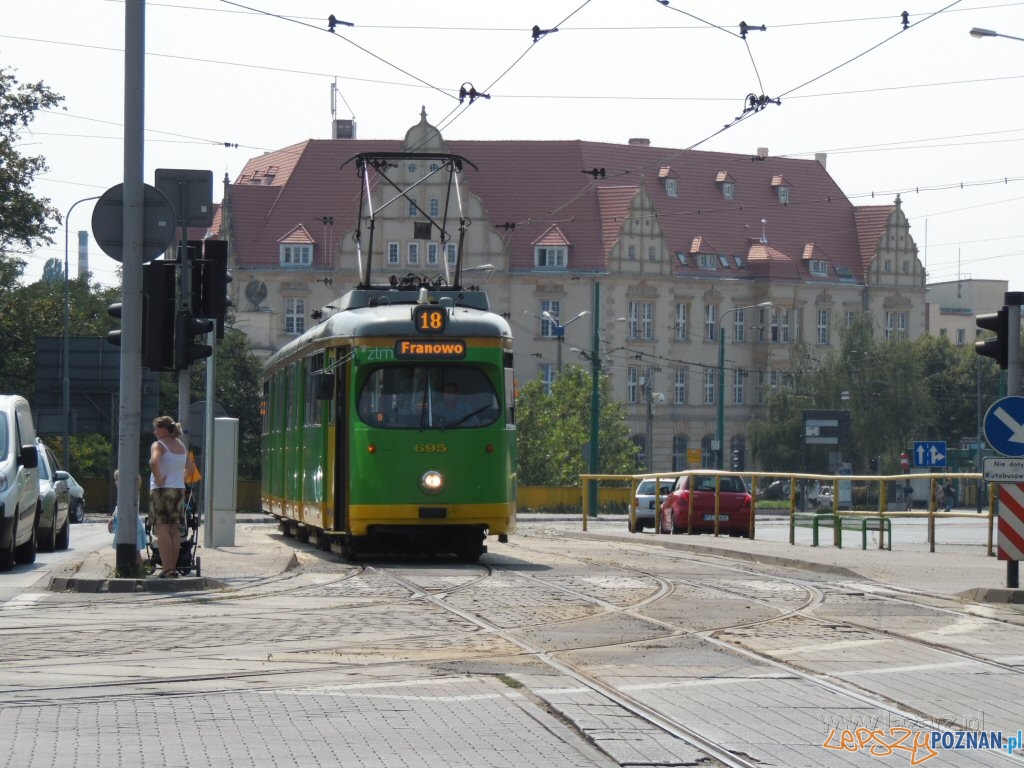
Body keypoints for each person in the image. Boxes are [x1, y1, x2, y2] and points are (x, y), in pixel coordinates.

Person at [148, 415, 194, 578]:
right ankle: (172, 568)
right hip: (178, 490)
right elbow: (190, 469)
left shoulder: (158, 445)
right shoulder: (181, 446)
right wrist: (179, 478)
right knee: (174, 531)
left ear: (163, 430)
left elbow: (154, 462)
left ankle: (166, 569)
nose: (154, 432)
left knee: (162, 530)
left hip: (161, 491)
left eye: (156, 428)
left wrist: (159, 478)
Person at [108, 469, 146, 570]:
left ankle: (138, 570)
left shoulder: (129, 493)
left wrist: (113, 518)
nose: (116, 482)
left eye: (118, 479)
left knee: (135, 551)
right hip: (129, 524)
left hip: (132, 525)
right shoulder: (128, 492)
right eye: (115, 479)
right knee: (133, 551)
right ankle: (135, 569)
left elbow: (122, 508)